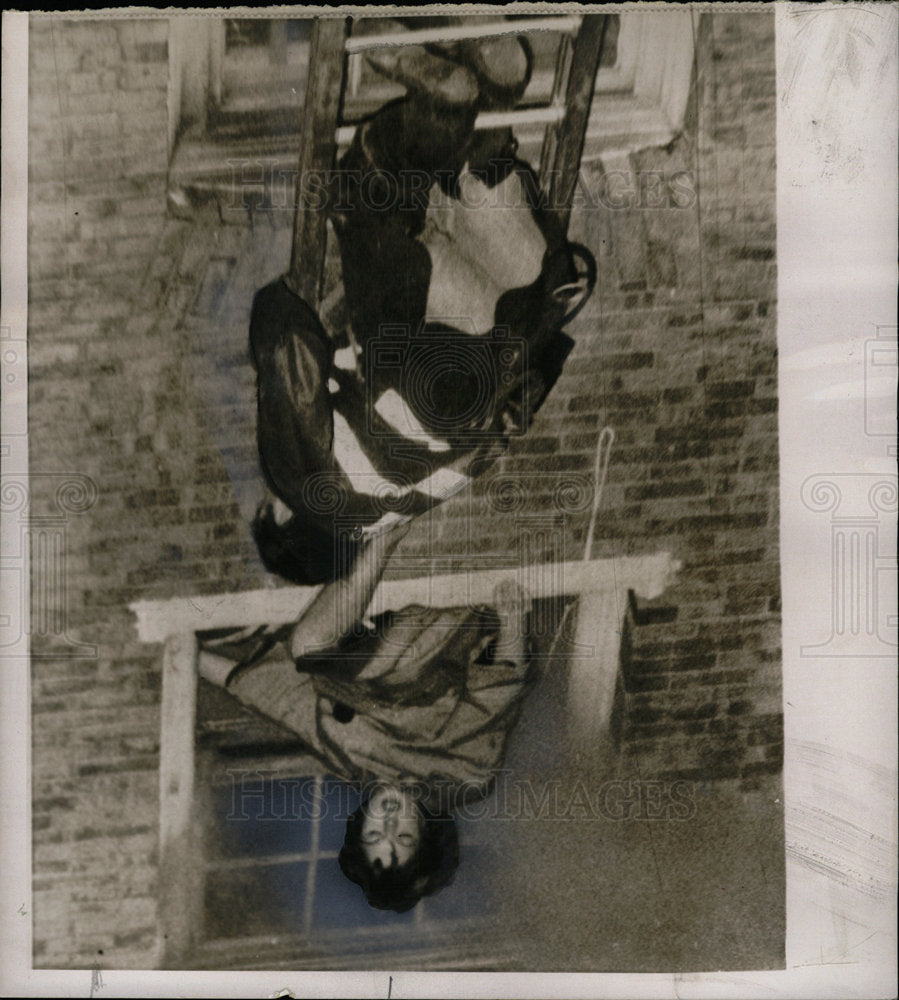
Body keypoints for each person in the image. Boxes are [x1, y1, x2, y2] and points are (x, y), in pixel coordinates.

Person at [250, 29, 595, 585]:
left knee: (472, 207)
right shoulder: (298, 486)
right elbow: (287, 351)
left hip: (505, 342)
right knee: (364, 201)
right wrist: (282, 306)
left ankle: (494, 108)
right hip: (417, 371)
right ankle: (446, 104)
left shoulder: (402, 507)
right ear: (284, 516)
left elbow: (495, 439)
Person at [197, 519, 535, 912]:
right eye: (404, 839)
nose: (389, 823)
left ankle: (379, 543)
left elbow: (278, 699)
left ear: (361, 831)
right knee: (310, 646)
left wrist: (186, 657)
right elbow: (499, 688)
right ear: (426, 832)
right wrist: (513, 620)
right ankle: (382, 542)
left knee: (308, 646)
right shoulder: (467, 775)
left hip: (374, 634)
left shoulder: (350, 765)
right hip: (448, 633)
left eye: (376, 836)